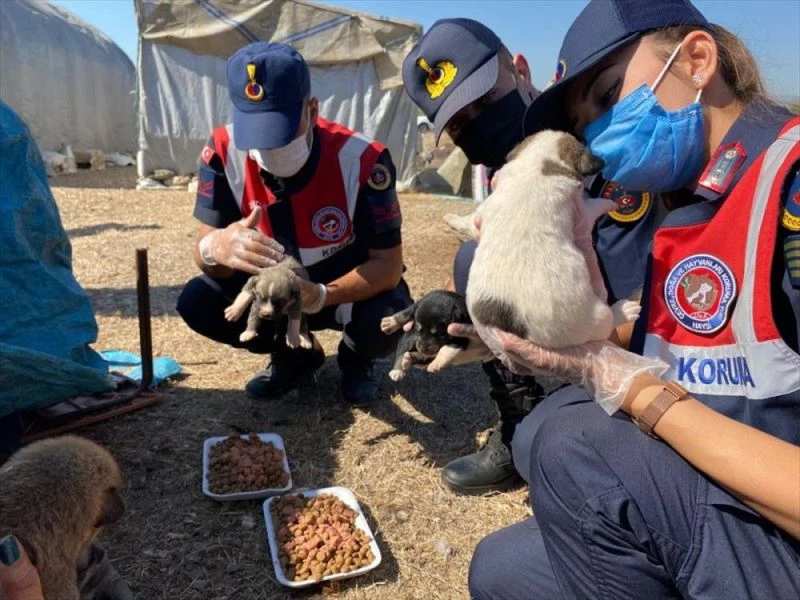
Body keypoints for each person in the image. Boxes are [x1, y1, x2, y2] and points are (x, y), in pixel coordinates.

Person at [467, 0, 800, 598]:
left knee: (571, 442)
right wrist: (537, 335)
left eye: (608, 94)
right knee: (504, 569)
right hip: (716, 492)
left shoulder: (788, 185)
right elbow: (685, 338)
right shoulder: (694, 203)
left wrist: (636, 388)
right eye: (584, 121)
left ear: (697, 59)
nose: (597, 131)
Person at [401, 19, 662, 494]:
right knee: (471, 261)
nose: (479, 123)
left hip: (634, 332)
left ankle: (595, 431)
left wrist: (565, 353)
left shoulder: (592, 145)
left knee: (551, 444)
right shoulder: (507, 175)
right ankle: (516, 410)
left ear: (519, 70)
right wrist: (501, 339)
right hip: (566, 315)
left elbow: (654, 287)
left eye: (485, 99)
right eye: (459, 123)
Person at [177, 42, 412, 406]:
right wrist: (214, 249)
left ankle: (355, 357)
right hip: (273, 289)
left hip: (341, 286)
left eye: (281, 130)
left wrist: (321, 295)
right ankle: (295, 356)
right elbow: (205, 250)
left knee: (387, 318)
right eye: (256, 134)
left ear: (312, 110)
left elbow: (388, 265)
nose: (269, 148)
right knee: (197, 301)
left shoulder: (364, 160)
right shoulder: (221, 150)